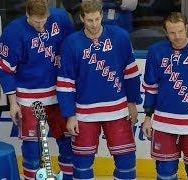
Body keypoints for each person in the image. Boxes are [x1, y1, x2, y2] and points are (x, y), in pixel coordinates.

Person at [57, 0, 141, 179]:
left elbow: (131, 73)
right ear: (82, 18)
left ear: (101, 16)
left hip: (117, 110)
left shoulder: (120, 36)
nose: (94, 24)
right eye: (89, 20)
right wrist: (70, 115)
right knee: (81, 166)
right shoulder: (71, 43)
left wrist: (132, 103)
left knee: (126, 163)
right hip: (84, 112)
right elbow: (66, 83)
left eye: (97, 19)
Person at [0, 0, 74, 179]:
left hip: (59, 94)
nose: (41, 26)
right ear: (27, 15)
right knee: (31, 152)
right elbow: (5, 70)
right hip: (28, 98)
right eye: (36, 22)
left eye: (44, 21)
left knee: (68, 146)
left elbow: (72, 49)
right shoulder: (14, 32)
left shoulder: (60, 19)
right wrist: (13, 103)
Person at [142, 12, 188, 180]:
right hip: (164, 123)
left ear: (186, 28)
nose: (177, 36)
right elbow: (151, 87)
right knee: (165, 173)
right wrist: (148, 116)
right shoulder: (156, 51)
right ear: (166, 32)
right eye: (172, 32)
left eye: (180, 31)